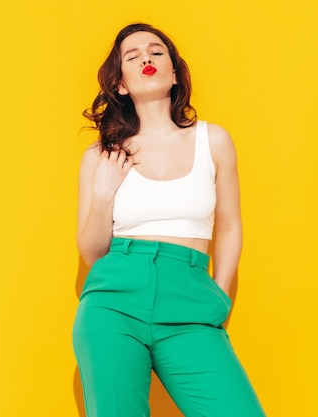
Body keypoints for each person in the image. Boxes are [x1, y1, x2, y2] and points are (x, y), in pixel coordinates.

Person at [72, 22, 266, 417]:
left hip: (191, 300)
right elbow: (91, 251)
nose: (146, 57)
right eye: (133, 55)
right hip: (114, 303)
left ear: (174, 74)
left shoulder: (213, 141)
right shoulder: (101, 156)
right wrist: (104, 192)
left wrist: (221, 296)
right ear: (120, 83)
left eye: (157, 52)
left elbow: (229, 225)